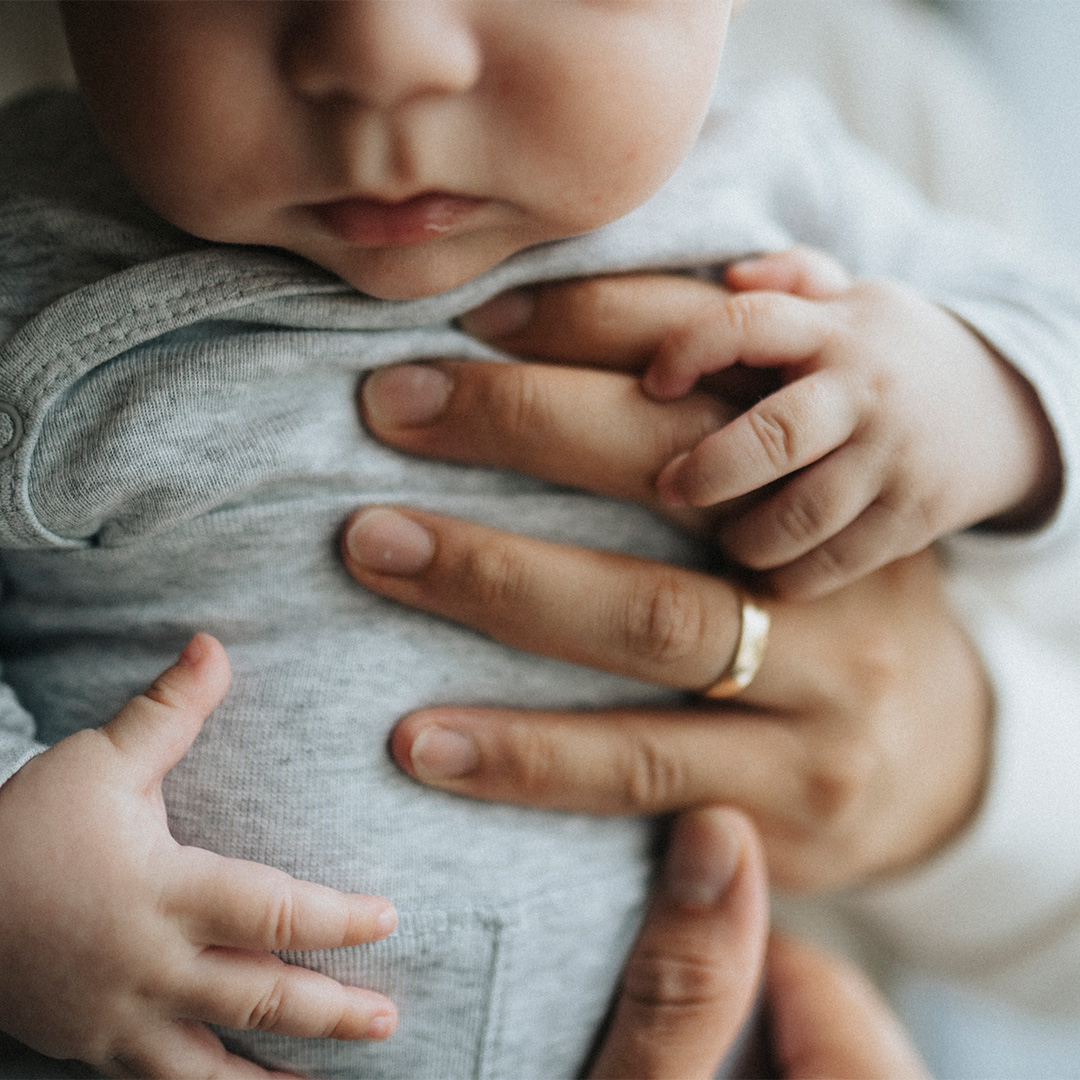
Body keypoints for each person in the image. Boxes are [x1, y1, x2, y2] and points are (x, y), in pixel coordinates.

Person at [2, 2, 1080, 1078]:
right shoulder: (32, 238)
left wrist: (979, 392)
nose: (385, 56)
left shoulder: (785, 169)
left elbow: (1046, 329)